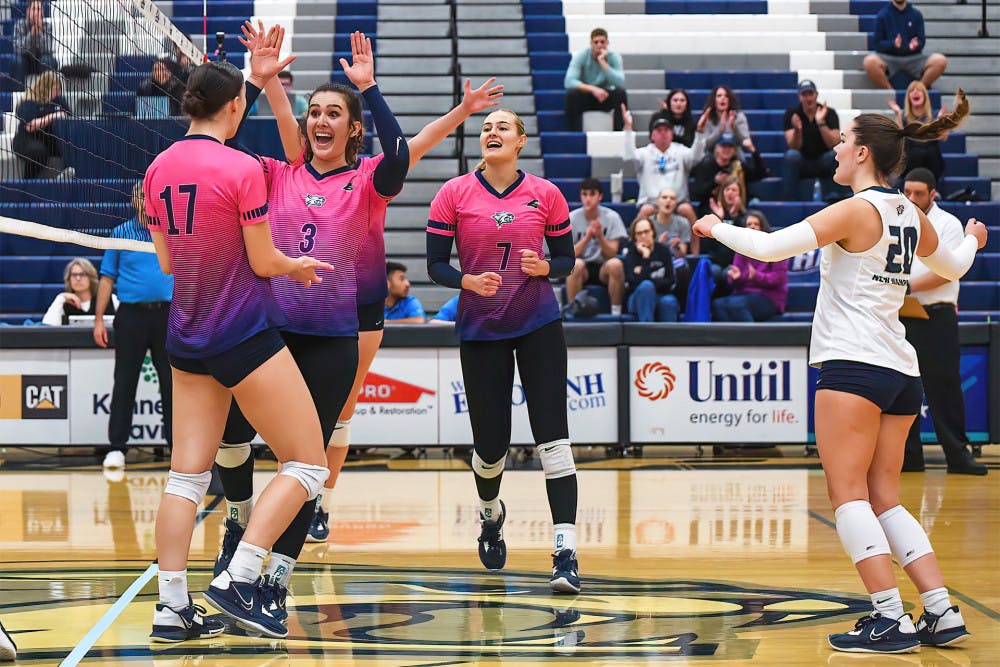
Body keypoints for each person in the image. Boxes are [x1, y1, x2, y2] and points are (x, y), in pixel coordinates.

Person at [210, 23, 503, 621]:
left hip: (334, 338)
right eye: (312, 112)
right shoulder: (279, 170)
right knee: (243, 441)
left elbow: (401, 152)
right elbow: (216, 151)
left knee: (309, 464)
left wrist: (368, 88)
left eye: (332, 114)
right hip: (269, 339)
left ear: (351, 127)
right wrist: (258, 81)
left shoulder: (367, 180)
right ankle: (236, 539)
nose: (320, 121)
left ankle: (274, 581)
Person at [693, 92, 985, 653]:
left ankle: (889, 617)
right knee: (886, 497)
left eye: (843, 141)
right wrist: (972, 236)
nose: (834, 150)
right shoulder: (912, 213)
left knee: (848, 496)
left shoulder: (858, 209)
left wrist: (715, 225)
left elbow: (772, 247)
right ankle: (941, 611)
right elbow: (955, 265)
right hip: (901, 368)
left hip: (853, 364)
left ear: (865, 153)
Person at [143, 50, 333, 642]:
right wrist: (296, 266)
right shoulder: (243, 168)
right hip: (241, 331)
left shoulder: (156, 169)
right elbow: (261, 259)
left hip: (185, 334)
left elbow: (169, 263)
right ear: (233, 107)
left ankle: (171, 608)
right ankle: (239, 577)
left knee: (185, 479)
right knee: (308, 463)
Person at [425, 108, 581, 593]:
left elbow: (567, 260)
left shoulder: (547, 194)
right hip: (480, 329)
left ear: (521, 140)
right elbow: (435, 265)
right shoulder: (453, 194)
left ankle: (565, 552)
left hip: (539, 324)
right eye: (486, 126)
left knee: (554, 440)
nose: (492, 132)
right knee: (491, 448)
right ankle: (491, 514)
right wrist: (466, 279)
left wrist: (545, 270)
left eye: (502, 127)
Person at [899, 168, 986, 475]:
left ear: (933, 194)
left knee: (944, 386)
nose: (911, 198)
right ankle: (908, 457)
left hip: (936, 315)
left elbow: (947, 271)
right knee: (902, 387)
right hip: (901, 314)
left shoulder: (947, 224)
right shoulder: (898, 220)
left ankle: (958, 456)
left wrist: (906, 286)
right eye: (907, 191)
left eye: (918, 193)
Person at [92, 182, 174, 471]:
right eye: (141, 195)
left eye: (150, 196)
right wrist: (99, 318)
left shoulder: (168, 232)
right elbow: (106, 278)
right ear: (134, 199)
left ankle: (176, 448)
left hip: (167, 315)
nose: (145, 200)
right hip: (130, 317)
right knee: (125, 382)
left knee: (172, 385)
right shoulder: (120, 233)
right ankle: (117, 448)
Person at [622, 108, 703, 222]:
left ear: (671, 134)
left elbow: (696, 157)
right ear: (652, 135)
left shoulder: (680, 150)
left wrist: (700, 132)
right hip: (651, 202)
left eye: (666, 130)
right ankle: (637, 239)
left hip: (677, 201)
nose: (663, 133)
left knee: (688, 211)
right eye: (659, 130)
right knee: (645, 211)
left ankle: (695, 241)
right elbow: (629, 156)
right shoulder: (645, 152)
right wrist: (628, 129)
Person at [710, 210, 788, 322]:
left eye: (756, 224)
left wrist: (756, 276)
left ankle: (750, 339)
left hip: (769, 297)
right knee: (717, 305)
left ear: (763, 227)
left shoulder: (776, 248)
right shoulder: (741, 249)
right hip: (744, 294)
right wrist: (735, 277)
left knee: (736, 305)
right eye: (749, 225)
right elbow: (735, 278)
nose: (752, 227)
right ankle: (732, 338)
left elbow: (777, 279)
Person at [565, 177, 627, 315]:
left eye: (592, 194)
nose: (588, 199)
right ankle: (572, 310)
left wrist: (599, 236)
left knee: (616, 264)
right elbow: (569, 254)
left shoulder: (612, 217)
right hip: (583, 268)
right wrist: (587, 238)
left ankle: (616, 313)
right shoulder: (572, 218)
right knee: (576, 265)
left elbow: (611, 253)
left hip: (603, 267)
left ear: (600, 196)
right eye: (584, 194)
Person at [864, 0, 947, 90]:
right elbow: (877, 44)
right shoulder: (883, 15)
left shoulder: (916, 14)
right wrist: (893, 44)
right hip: (889, 58)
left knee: (940, 60)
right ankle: (890, 92)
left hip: (914, 58)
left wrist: (916, 44)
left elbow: (921, 41)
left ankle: (919, 89)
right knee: (869, 62)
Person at [783, 80, 842, 201]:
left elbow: (834, 143)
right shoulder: (792, 114)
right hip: (803, 162)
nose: (808, 98)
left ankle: (834, 196)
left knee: (834, 155)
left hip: (823, 160)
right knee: (791, 156)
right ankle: (789, 199)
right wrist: (797, 130)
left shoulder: (829, 113)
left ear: (816, 94)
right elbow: (792, 146)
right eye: (804, 94)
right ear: (799, 97)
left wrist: (821, 123)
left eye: (811, 94)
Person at [563, 28, 627, 131]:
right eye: (596, 42)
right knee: (571, 94)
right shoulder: (582, 55)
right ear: (591, 43)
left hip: (604, 96)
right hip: (587, 95)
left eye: (602, 42)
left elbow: (620, 82)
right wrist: (594, 90)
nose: (599, 45)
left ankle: (618, 132)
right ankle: (573, 133)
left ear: (607, 43)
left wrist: (603, 63)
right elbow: (569, 81)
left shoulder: (614, 57)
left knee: (620, 93)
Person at [12, 71, 72, 180]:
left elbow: (70, 118)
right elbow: (30, 126)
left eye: (60, 90)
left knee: (72, 146)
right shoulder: (29, 102)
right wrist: (52, 117)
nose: (58, 93)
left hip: (50, 139)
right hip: (27, 139)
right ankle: (28, 185)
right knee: (38, 152)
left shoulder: (60, 101)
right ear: (45, 88)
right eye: (56, 89)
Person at [690, 132, 767, 217]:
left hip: (736, 207)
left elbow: (761, 174)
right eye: (724, 146)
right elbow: (698, 193)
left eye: (730, 147)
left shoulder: (738, 166)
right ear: (717, 148)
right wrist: (715, 182)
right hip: (710, 208)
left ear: (734, 150)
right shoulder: (706, 165)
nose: (727, 150)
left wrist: (753, 151)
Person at [620, 217, 679, 322]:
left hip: (661, 295)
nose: (643, 236)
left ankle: (670, 337)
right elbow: (634, 283)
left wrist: (645, 277)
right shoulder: (631, 254)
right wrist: (646, 257)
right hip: (636, 298)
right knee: (646, 287)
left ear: (653, 232)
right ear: (634, 237)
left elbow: (670, 281)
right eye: (639, 233)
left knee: (668, 302)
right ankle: (646, 334)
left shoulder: (663, 251)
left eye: (646, 232)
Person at [889, 80, 948, 181]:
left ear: (925, 96)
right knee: (915, 152)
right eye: (912, 91)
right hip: (910, 159)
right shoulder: (903, 115)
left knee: (930, 150)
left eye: (919, 90)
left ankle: (931, 187)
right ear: (908, 97)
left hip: (931, 159)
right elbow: (897, 138)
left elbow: (943, 137)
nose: (915, 92)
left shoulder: (934, 116)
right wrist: (898, 113)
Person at [42, 258, 117, 325]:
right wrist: (61, 298)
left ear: (91, 278)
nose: (78, 278)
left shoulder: (111, 300)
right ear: (69, 279)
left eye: (82, 274)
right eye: (74, 275)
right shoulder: (63, 304)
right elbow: (47, 327)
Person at [696, 86, 752, 152]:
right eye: (719, 96)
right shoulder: (707, 118)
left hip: (734, 153)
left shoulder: (738, 117)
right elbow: (705, 146)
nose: (723, 98)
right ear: (714, 100)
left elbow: (745, 143)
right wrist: (719, 131)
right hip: (712, 155)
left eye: (726, 96)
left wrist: (734, 128)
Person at [12, 0, 57, 78]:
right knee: (17, 61)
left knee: (47, 60)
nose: (36, 13)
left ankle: (46, 88)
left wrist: (39, 33)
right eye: (33, 9)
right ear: (28, 11)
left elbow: (48, 49)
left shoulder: (48, 26)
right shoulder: (19, 25)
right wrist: (32, 35)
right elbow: (18, 49)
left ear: (42, 12)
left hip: (41, 61)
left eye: (39, 9)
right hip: (25, 61)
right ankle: (18, 90)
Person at [651, 188, 693, 257]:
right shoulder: (648, 223)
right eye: (664, 197)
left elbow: (682, 255)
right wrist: (660, 245)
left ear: (676, 204)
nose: (668, 200)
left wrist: (676, 247)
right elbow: (647, 255)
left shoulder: (683, 223)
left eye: (672, 198)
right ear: (657, 202)